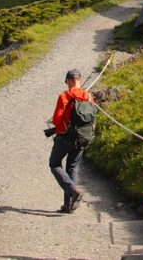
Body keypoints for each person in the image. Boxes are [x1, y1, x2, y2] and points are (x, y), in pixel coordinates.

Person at [47, 68, 94, 213]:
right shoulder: (88, 96)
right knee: (72, 167)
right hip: (83, 138)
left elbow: (56, 120)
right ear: (79, 80)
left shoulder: (64, 96)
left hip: (66, 138)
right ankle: (68, 205)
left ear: (68, 81)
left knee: (54, 164)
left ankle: (73, 190)